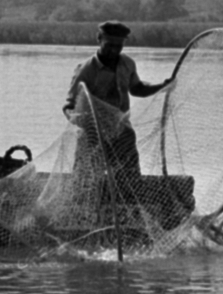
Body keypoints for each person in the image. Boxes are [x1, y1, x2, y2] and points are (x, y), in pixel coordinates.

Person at [62, 20, 170, 178]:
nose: (113, 50)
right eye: (109, 45)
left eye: (118, 46)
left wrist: (161, 86)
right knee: (85, 180)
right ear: (99, 39)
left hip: (121, 130)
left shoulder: (127, 63)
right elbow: (69, 106)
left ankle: (125, 200)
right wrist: (79, 120)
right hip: (93, 134)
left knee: (129, 178)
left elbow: (137, 88)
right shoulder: (86, 70)